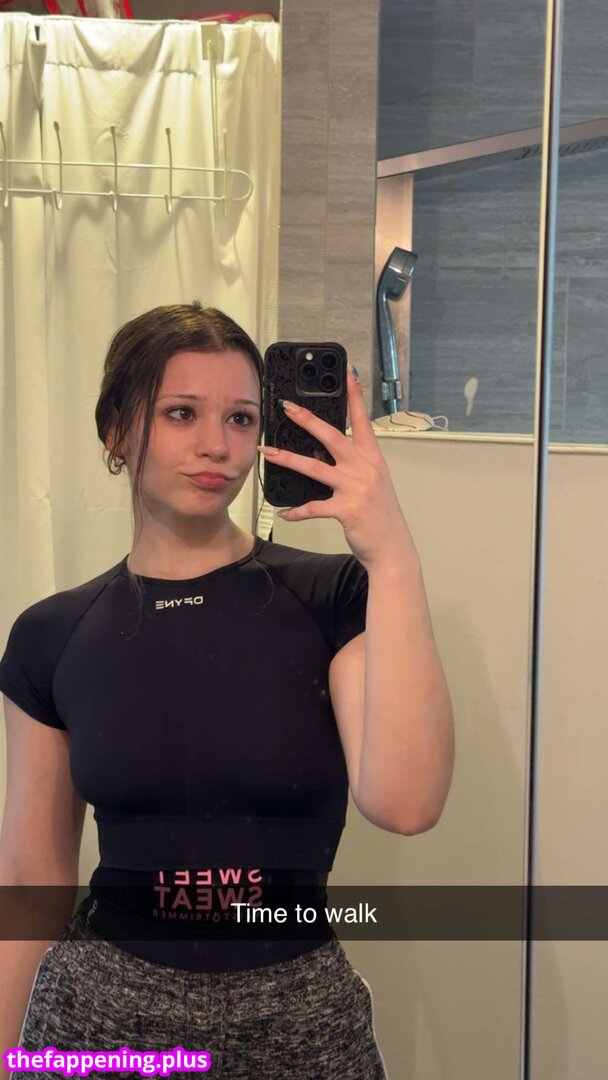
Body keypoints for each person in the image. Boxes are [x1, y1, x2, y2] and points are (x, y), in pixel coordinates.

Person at [0, 303, 394, 1079]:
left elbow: (406, 801)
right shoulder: (52, 634)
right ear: (116, 430)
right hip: (99, 1016)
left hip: (301, 1020)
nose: (217, 445)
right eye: (181, 413)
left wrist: (392, 548)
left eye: (241, 418)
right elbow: (29, 883)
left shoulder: (335, 595)